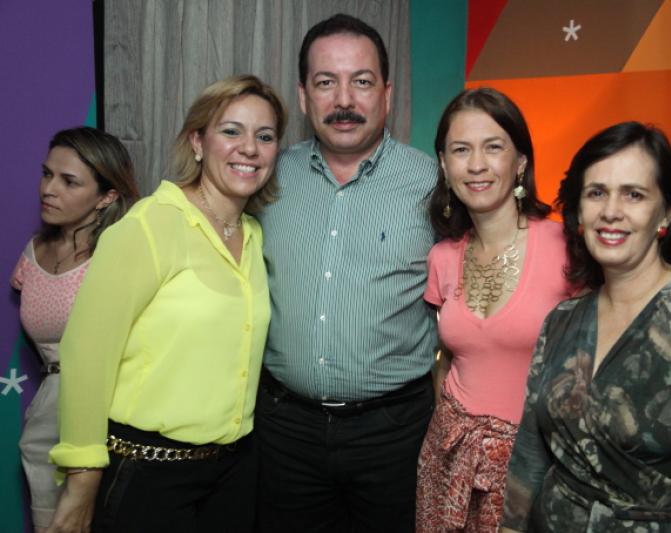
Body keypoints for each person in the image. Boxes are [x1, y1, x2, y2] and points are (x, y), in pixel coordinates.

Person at [500, 121, 671, 532]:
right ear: (579, 211)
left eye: (634, 194)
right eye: (597, 193)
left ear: (666, 212)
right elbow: (530, 452)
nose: (611, 211)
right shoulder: (562, 320)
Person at [46, 74, 286, 533]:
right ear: (197, 142)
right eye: (231, 131)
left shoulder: (254, 235)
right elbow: (87, 353)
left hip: (235, 473)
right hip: (147, 471)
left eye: (265, 136)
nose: (249, 148)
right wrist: (82, 476)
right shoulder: (150, 226)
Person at [256, 13, 438, 533]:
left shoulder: (433, 184)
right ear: (303, 95)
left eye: (361, 81)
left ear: (386, 93)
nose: (343, 100)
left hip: (394, 432)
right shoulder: (265, 179)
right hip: (284, 430)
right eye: (325, 83)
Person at [415, 88, 571, 532]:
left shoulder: (567, 248)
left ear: (520, 161)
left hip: (534, 467)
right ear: (444, 164)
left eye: (493, 147)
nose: (476, 165)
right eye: (461, 150)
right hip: (447, 460)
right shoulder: (442, 257)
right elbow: (445, 360)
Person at [11, 127, 138, 532]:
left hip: (109, 415)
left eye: (69, 181)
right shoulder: (33, 253)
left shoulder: (119, 255)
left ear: (106, 197)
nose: (49, 189)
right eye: (47, 174)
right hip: (47, 418)